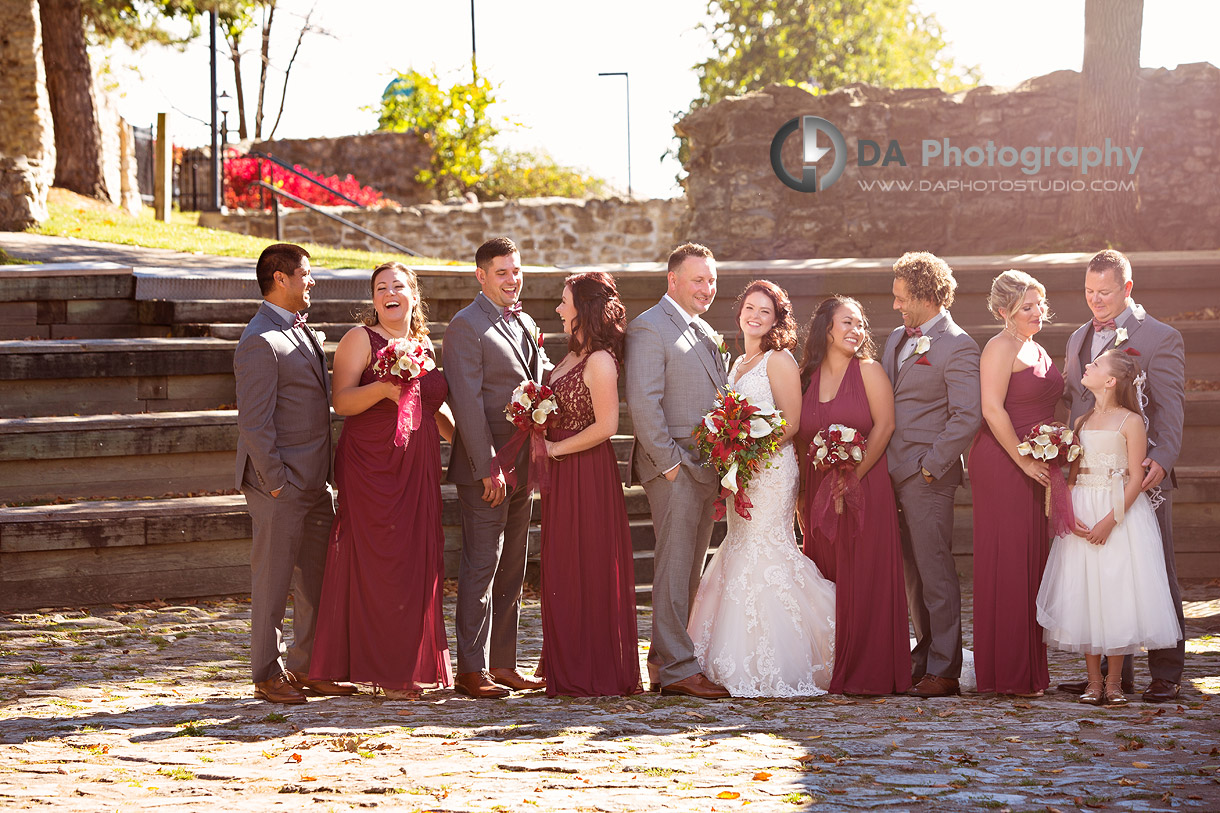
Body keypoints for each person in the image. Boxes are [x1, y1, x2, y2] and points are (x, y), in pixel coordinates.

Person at [309, 263, 454, 699]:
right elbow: (341, 401)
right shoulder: (359, 339)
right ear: (373, 299)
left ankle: (404, 664)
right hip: (371, 465)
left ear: (413, 294)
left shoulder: (423, 343)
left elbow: (431, 406)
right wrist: (386, 389)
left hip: (419, 464)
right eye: (380, 288)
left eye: (398, 286)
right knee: (376, 559)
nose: (389, 293)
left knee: (414, 561)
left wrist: (469, 444)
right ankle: (373, 668)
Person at [687, 280, 836, 697]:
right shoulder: (736, 363)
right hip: (741, 471)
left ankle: (789, 654)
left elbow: (792, 422)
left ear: (776, 320)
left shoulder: (779, 360)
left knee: (766, 548)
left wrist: (749, 451)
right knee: (739, 544)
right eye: (749, 307)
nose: (754, 315)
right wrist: (729, 453)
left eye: (764, 311)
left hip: (770, 470)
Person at [1058, 249, 1187, 703]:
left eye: (1105, 292)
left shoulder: (1160, 337)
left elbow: (1170, 408)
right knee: (1104, 572)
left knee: (1152, 570)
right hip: (1093, 471)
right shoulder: (1077, 338)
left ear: (1127, 289)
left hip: (1141, 471)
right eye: (1089, 292)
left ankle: (1167, 672)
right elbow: (1078, 402)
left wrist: (1162, 458)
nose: (1096, 300)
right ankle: (1115, 676)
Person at [234, 243, 355, 704]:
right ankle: (267, 672)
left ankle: (308, 667)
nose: (312, 281)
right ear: (280, 278)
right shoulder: (260, 339)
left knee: (315, 579)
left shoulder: (301, 331)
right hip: (280, 483)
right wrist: (277, 479)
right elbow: (254, 422)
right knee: (273, 579)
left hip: (315, 479)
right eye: (306, 274)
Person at [1037, 350, 1183, 705]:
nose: (1087, 366)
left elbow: (1136, 479)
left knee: (1115, 591)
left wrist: (1109, 521)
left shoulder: (1130, 421)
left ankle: (1115, 681)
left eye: (1096, 365)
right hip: (1085, 510)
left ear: (1111, 380)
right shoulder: (1082, 421)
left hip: (1117, 514)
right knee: (1086, 591)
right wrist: (1067, 512)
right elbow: (1072, 477)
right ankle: (1092, 682)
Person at [445, 236, 552, 698]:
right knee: (481, 565)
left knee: (513, 565)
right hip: (487, 470)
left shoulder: (525, 320)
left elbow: (540, 374)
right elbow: (466, 402)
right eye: (502, 272)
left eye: (516, 270)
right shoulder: (465, 326)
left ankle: (503, 663)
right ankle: (471, 668)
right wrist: (487, 465)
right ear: (481, 276)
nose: (512, 279)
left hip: (526, 463)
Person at [625, 242, 730, 699]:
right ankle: (678, 667)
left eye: (711, 280)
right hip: (673, 466)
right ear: (673, 280)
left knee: (688, 569)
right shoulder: (650, 327)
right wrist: (670, 465)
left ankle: (663, 661)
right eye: (698, 279)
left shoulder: (704, 330)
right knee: (673, 567)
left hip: (705, 467)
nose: (707, 288)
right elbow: (643, 402)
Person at [797, 295, 909, 696]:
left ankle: (869, 667)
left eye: (860, 324)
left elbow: (885, 426)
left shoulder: (869, 371)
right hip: (817, 491)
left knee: (865, 575)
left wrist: (853, 476)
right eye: (847, 322)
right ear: (826, 327)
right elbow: (797, 435)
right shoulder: (804, 377)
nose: (856, 330)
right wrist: (800, 497)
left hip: (865, 489)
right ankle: (828, 663)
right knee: (825, 576)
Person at [881, 251, 982, 699]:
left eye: (903, 298)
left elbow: (966, 416)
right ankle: (920, 659)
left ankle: (945, 669)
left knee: (936, 573)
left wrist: (930, 467)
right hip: (888, 473)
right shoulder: (893, 340)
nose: (897, 306)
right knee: (910, 575)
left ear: (925, 295)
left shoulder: (957, 345)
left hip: (927, 478)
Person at [538, 271, 641, 697]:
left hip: (586, 474)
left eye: (565, 302)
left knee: (588, 564)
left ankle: (593, 666)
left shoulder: (599, 360)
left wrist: (555, 451)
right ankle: (565, 662)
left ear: (583, 309)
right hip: (561, 476)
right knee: (563, 564)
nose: (559, 310)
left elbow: (608, 426)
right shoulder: (567, 358)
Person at [967, 270, 1062, 698]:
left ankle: (1028, 670)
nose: (1037, 312)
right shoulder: (999, 347)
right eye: (1027, 307)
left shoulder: (1036, 347)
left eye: (1039, 304)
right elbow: (991, 409)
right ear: (1004, 311)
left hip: (1037, 460)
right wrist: (1023, 459)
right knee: (1008, 560)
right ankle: (1006, 672)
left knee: (1032, 561)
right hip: (1005, 461)